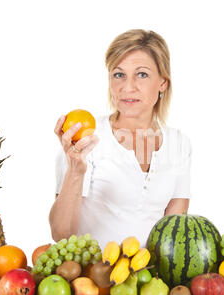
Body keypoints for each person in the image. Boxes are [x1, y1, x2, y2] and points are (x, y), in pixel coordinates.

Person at [49, 29, 192, 249]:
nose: (127, 87)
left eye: (142, 74)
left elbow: (173, 232)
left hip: (149, 278)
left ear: (163, 82)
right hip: (91, 278)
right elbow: (61, 233)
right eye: (119, 74)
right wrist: (75, 170)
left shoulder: (179, 144)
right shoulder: (85, 139)